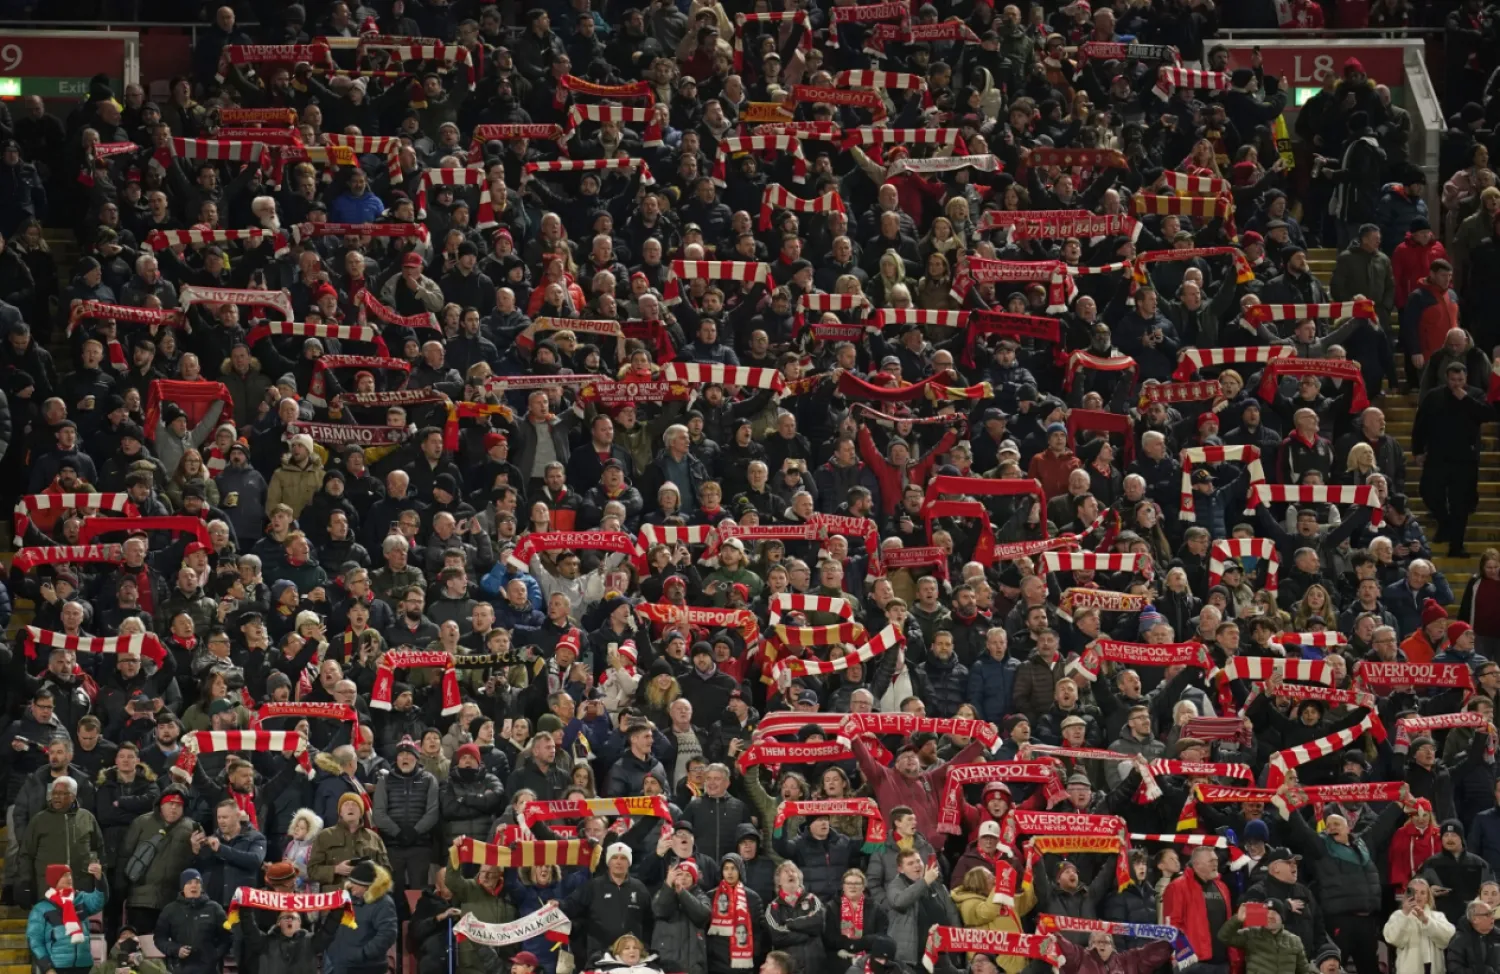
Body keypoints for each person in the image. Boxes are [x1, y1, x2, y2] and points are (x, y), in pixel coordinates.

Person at [27, 862, 108, 974]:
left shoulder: (80, 899)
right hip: (57, 968)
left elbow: (99, 901)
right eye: (64, 876)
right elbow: (35, 941)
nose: (69, 878)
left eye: (70, 875)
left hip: (84, 966)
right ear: (55, 880)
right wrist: (47, 968)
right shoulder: (41, 908)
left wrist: (99, 879)